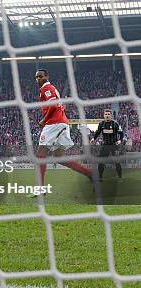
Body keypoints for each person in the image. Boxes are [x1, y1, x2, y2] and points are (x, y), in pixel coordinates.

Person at [31, 69, 94, 198]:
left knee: (40, 155)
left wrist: (44, 119)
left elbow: (53, 106)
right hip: (62, 123)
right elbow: (59, 105)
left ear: (47, 76)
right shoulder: (53, 89)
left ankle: (40, 189)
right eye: (36, 77)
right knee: (60, 157)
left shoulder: (46, 88)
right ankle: (91, 174)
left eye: (40, 76)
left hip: (53, 124)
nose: (38, 79)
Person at [90, 109, 124, 182]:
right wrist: (93, 138)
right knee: (101, 161)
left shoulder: (115, 124)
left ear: (111, 115)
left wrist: (120, 140)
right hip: (105, 146)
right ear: (104, 115)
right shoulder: (101, 124)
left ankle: (120, 177)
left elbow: (121, 133)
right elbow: (97, 132)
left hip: (114, 145)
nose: (107, 116)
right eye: (106, 114)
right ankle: (100, 177)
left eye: (108, 114)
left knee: (117, 162)